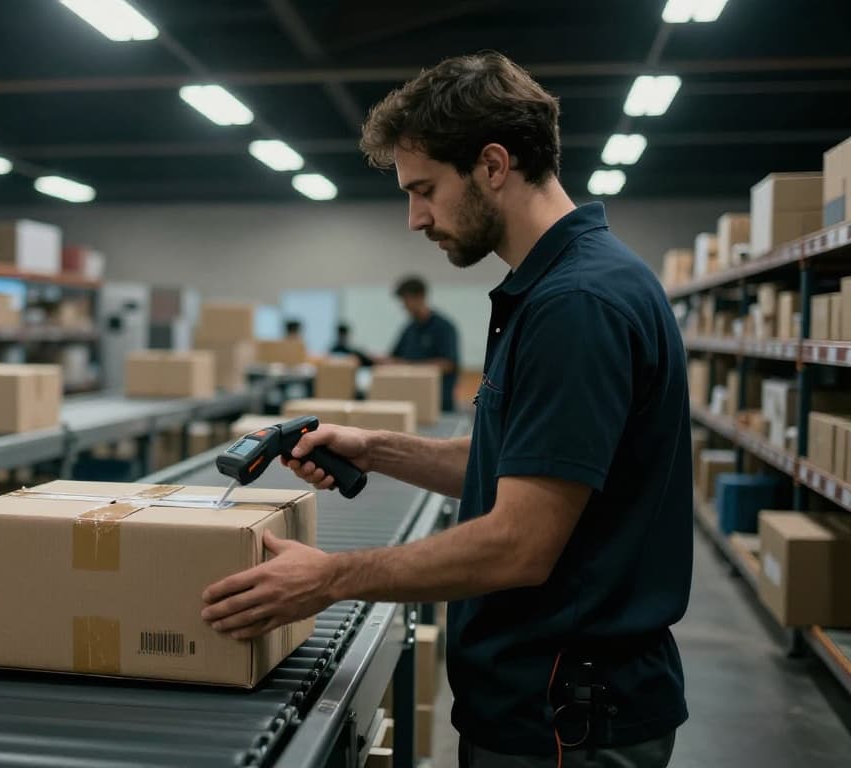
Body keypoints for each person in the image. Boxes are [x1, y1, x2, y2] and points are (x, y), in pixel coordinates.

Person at [201, 51, 689, 768]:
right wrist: (376, 447)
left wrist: (327, 579)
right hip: (546, 705)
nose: (413, 217)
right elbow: (518, 465)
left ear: (493, 165)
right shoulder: (554, 288)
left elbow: (520, 542)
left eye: (424, 189)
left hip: (567, 720)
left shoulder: (575, 306)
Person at [388, 276, 460, 411]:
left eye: (406, 299)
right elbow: (395, 358)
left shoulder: (444, 327)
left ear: (420, 296)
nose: (404, 305)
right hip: (411, 401)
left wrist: (410, 367)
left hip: (438, 404)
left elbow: (448, 364)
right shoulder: (409, 329)